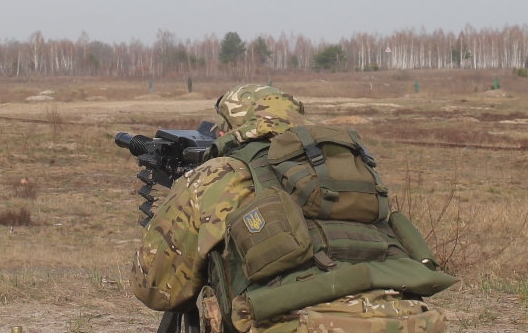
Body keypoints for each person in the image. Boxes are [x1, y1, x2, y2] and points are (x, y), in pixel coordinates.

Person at [131, 84, 455, 333]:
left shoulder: (221, 174)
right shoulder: (346, 168)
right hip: (407, 320)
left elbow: (159, 291)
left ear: (227, 128)